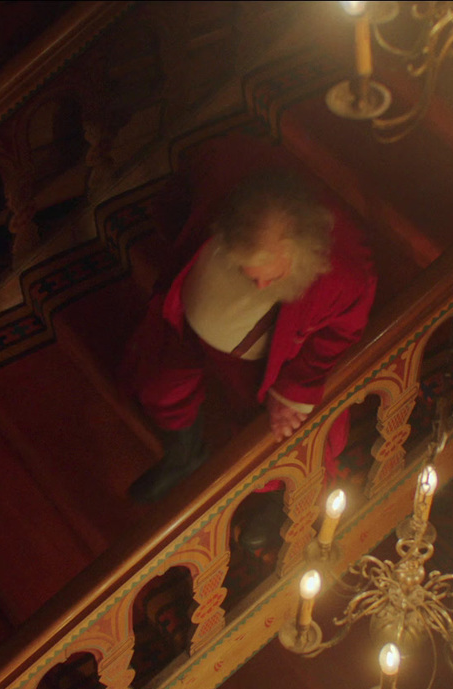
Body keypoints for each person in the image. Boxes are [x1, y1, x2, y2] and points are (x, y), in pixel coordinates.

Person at [122, 143, 377, 521]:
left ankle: (283, 506)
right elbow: (178, 199)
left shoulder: (340, 272)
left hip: (256, 359)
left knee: (279, 436)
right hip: (185, 322)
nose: (259, 286)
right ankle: (184, 457)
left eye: (270, 277)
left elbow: (343, 331)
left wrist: (295, 387)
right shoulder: (227, 173)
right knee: (163, 385)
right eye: (247, 272)